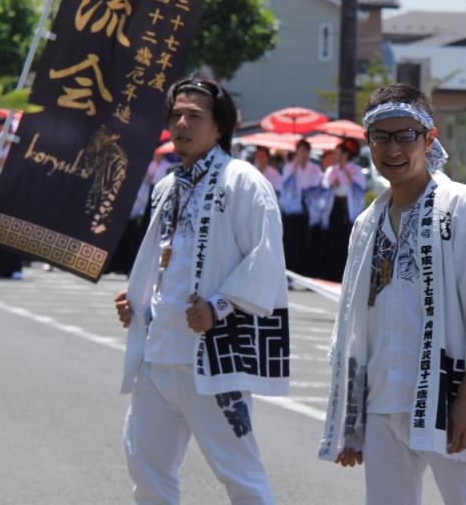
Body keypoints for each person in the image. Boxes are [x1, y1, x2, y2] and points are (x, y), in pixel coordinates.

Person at [320, 84, 466, 505]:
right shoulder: (368, 222)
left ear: (429, 138)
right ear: (368, 142)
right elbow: (354, 324)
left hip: (446, 390)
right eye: (381, 137)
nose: (393, 149)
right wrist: (352, 419)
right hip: (383, 396)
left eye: (405, 135)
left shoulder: (462, 207)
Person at [113, 78, 289, 505]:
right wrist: (136, 300)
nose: (182, 124)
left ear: (219, 128)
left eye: (195, 116)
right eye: (176, 115)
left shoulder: (245, 182)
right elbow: (164, 261)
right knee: (147, 468)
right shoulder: (167, 187)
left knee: (240, 475)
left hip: (211, 357)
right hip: (159, 352)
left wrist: (219, 307)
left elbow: (265, 261)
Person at [322, 139, 367, 282]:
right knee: (333, 238)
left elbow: (362, 188)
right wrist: (331, 183)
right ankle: (331, 272)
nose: (336, 156)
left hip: (348, 208)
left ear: (345, 154)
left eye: (338, 153)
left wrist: (350, 178)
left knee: (346, 240)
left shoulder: (355, 169)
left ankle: (345, 274)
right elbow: (323, 187)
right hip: (335, 205)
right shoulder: (332, 170)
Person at [279, 139, 321, 274]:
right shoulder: (289, 167)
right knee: (290, 239)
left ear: (309, 153)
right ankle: (289, 271)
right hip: (292, 208)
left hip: (308, 207)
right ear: (296, 152)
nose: (303, 154)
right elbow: (285, 186)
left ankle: (304, 270)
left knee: (306, 240)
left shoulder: (315, 169)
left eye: (306, 151)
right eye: (300, 151)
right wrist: (294, 170)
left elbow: (316, 187)